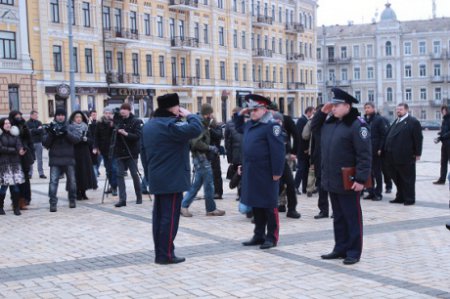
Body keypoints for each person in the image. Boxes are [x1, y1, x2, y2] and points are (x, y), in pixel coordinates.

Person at [311, 88, 371, 265]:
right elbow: (314, 128)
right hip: (332, 179)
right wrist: (323, 112)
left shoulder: (357, 125)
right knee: (338, 217)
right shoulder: (330, 122)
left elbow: (364, 155)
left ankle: (353, 251)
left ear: (346, 106)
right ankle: (340, 248)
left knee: (351, 217)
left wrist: (361, 179)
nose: (333, 108)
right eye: (332, 105)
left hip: (349, 181)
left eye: (336, 105)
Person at [142, 93, 203, 265]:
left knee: (159, 217)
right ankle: (166, 254)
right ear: (174, 108)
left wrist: (149, 176)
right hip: (173, 179)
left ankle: (160, 252)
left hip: (156, 177)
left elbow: (143, 153)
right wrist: (190, 115)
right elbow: (196, 129)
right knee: (170, 218)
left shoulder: (149, 126)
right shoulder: (171, 126)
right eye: (178, 106)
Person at [235, 94, 285, 250]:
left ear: (264, 109)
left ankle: (271, 237)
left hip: (267, 172)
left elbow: (278, 151)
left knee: (269, 206)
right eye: (250, 110)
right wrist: (239, 114)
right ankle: (258, 235)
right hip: (252, 171)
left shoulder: (272, 126)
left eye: (255, 109)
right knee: (256, 205)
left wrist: (277, 172)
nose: (252, 112)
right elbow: (238, 128)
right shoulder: (250, 124)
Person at [180, 103, 226, 217]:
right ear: (207, 114)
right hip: (201, 159)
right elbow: (196, 143)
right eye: (211, 114)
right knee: (209, 184)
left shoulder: (203, 124)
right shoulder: (200, 125)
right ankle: (210, 209)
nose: (212, 116)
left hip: (201, 159)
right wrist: (210, 147)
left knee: (197, 185)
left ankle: (184, 205)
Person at [383, 103, 423, 206]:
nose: (398, 111)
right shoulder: (396, 121)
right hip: (392, 156)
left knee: (407, 179)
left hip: (406, 155)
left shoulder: (413, 122)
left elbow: (418, 138)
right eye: (397, 109)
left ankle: (409, 198)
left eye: (400, 109)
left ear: (406, 110)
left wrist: (418, 153)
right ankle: (400, 196)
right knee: (397, 178)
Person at [42, 108, 81, 212]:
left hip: (69, 158)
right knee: (53, 182)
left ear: (65, 116)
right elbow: (45, 144)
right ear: (55, 116)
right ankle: (53, 203)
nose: (60, 117)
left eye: (62, 115)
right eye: (58, 115)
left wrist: (66, 133)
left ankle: (72, 199)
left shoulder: (70, 127)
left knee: (72, 181)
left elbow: (77, 139)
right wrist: (51, 134)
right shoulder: (51, 127)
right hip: (55, 159)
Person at [269, 102, 301, 219]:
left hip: (283, 157)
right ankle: (266, 209)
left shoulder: (284, 119)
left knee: (290, 183)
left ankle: (291, 209)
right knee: (273, 185)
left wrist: (294, 152)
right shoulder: (264, 122)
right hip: (269, 160)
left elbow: (296, 135)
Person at [113, 103, 143, 207]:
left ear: (129, 110)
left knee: (134, 175)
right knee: (119, 175)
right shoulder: (117, 121)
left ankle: (139, 196)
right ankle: (122, 199)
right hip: (119, 152)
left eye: (125, 109)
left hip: (131, 152)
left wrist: (126, 133)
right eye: (122, 109)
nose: (123, 111)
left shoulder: (136, 121)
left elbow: (138, 136)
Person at [307, 104, 330, 219]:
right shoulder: (317, 127)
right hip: (319, 160)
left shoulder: (332, 125)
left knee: (334, 186)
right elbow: (314, 145)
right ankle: (323, 210)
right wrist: (312, 161)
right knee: (321, 186)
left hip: (332, 161)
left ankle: (336, 210)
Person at [69, 111, 97, 200]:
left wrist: (86, 139)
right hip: (74, 153)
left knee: (84, 173)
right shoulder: (70, 128)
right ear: (74, 118)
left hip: (84, 153)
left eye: (80, 117)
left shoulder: (86, 127)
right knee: (76, 173)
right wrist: (78, 139)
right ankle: (77, 192)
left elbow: (91, 140)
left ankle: (84, 192)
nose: (78, 119)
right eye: (76, 117)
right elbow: (70, 140)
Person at [0, 118, 26, 216]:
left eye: (9, 123)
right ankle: (0, 207)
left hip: (15, 164)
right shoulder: (0, 136)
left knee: (15, 188)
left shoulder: (15, 135)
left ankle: (16, 208)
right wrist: (14, 150)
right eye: (5, 123)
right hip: (4, 164)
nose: (7, 125)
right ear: (2, 125)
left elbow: (19, 145)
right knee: (3, 188)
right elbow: (1, 148)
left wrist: (20, 150)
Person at [9, 111, 34, 209]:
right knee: (14, 180)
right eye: (16, 116)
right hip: (14, 157)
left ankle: (25, 199)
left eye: (20, 116)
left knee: (25, 179)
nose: (19, 117)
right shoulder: (10, 127)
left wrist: (30, 151)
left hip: (25, 156)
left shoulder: (24, 125)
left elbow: (29, 140)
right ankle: (15, 200)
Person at [363, 102, 388, 201]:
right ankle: (370, 191)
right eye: (365, 108)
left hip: (376, 150)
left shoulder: (379, 119)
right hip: (366, 150)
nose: (366, 110)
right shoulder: (364, 120)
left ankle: (378, 193)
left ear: (374, 108)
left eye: (368, 108)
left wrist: (380, 148)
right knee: (369, 173)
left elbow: (383, 135)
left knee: (377, 172)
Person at [95, 107, 117, 196]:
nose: (108, 115)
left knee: (114, 168)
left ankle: (115, 187)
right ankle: (112, 186)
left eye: (109, 113)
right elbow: (96, 136)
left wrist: (113, 125)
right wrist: (96, 147)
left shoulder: (114, 123)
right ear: (104, 113)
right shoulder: (99, 123)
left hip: (114, 149)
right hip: (104, 150)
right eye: (106, 113)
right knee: (108, 170)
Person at [225, 107, 244, 201]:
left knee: (237, 172)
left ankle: (239, 192)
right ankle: (241, 193)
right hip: (243, 151)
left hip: (235, 152)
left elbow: (227, 142)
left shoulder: (229, 123)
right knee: (242, 172)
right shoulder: (244, 122)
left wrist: (229, 157)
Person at [295, 107, 315, 195]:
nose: (314, 114)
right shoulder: (301, 121)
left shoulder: (305, 120)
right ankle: (295, 187)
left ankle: (304, 188)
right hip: (302, 150)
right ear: (309, 112)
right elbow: (300, 137)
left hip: (305, 150)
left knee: (306, 170)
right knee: (301, 169)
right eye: (313, 112)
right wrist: (305, 149)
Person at [26, 110, 46, 179]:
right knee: (31, 159)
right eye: (35, 115)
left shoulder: (39, 122)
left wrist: (33, 130)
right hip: (30, 143)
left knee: (40, 159)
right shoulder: (27, 123)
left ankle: (41, 173)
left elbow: (42, 131)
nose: (37, 116)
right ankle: (30, 173)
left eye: (37, 115)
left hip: (38, 142)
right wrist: (36, 130)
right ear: (31, 115)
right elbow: (28, 132)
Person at [433, 105, 450, 185]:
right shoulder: (444, 120)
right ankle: (442, 179)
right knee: (443, 162)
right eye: (442, 110)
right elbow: (444, 131)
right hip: (444, 143)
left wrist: (442, 136)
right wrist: (440, 135)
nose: (443, 112)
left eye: (444, 110)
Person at [209, 115, 224, 199]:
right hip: (206, 153)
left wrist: (210, 129)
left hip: (214, 153)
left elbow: (219, 135)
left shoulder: (217, 127)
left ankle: (218, 192)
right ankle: (210, 192)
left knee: (216, 174)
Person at [88, 110, 100, 178]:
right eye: (93, 115)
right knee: (94, 162)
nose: (94, 116)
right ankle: (95, 173)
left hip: (97, 145)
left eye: (95, 115)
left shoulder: (98, 123)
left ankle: (96, 171)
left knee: (98, 160)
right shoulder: (89, 124)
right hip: (91, 146)